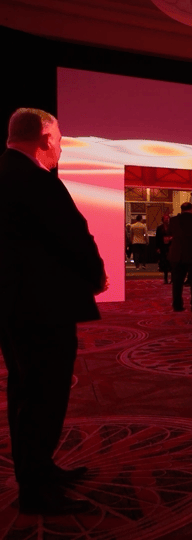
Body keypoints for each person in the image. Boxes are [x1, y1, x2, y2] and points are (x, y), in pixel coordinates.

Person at [0, 108, 108, 515]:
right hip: (42, 307)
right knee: (44, 396)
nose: (61, 147)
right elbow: (72, 236)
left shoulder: (5, 173)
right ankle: (35, 490)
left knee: (25, 391)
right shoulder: (36, 180)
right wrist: (96, 276)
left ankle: (37, 470)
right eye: (60, 139)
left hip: (14, 306)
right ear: (45, 139)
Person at [168, 202, 192, 311]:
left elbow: (170, 233)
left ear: (181, 209)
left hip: (177, 255)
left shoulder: (173, 220)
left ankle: (177, 305)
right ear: (191, 209)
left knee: (177, 282)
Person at [155, 213, 172, 284]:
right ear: (163, 220)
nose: (167, 220)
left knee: (171, 263)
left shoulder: (172, 227)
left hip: (170, 246)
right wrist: (157, 247)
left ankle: (172, 278)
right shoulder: (159, 228)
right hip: (162, 246)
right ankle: (165, 278)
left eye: (168, 219)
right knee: (164, 262)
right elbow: (157, 238)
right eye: (165, 219)